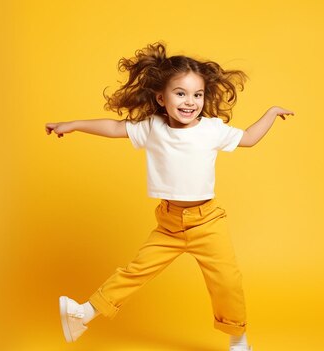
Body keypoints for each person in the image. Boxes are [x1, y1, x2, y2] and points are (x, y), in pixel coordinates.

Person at [45, 41, 294, 351]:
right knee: (135, 271)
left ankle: (238, 340)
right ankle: (83, 315)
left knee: (227, 281)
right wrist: (73, 125)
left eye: (197, 95)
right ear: (161, 98)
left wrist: (270, 113)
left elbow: (249, 138)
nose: (190, 102)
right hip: (169, 223)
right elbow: (113, 127)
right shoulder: (153, 127)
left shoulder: (211, 129)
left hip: (207, 222)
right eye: (181, 94)